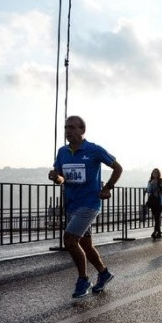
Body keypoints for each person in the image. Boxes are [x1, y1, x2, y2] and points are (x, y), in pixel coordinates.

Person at [48, 116, 122, 299]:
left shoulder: (94, 150)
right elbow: (61, 179)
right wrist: (55, 177)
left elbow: (118, 168)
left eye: (72, 127)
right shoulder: (62, 152)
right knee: (86, 245)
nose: (68, 131)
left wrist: (107, 188)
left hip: (90, 204)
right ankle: (104, 273)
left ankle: (83, 279)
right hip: (72, 203)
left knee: (70, 240)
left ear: (82, 130)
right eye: (66, 128)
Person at [146, 168, 162, 239]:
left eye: (156, 172)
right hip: (153, 201)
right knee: (156, 217)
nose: (155, 174)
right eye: (154, 172)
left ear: (158, 174)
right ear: (152, 174)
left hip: (160, 201)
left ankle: (155, 231)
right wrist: (151, 184)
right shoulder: (150, 181)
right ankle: (158, 233)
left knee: (157, 216)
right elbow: (148, 190)